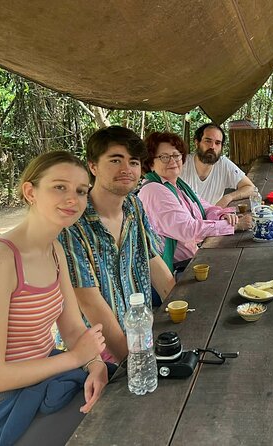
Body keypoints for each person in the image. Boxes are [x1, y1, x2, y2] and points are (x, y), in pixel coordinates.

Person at [0, 151, 108, 444]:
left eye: (81, 191)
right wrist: (75, 358)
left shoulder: (55, 251)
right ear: (30, 192)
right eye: (59, 187)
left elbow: (74, 329)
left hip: (46, 377)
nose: (73, 199)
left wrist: (95, 365)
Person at [59, 126, 175, 364]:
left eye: (133, 162)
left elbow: (154, 262)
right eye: (115, 160)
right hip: (95, 356)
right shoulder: (72, 222)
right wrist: (135, 362)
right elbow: (88, 301)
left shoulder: (134, 205)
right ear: (92, 166)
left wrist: (179, 311)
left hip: (141, 334)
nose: (126, 169)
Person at [138, 131, 253, 272]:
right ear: (150, 163)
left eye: (176, 155)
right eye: (164, 157)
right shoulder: (154, 190)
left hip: (194, 257)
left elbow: (206, 208)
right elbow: (188, 230)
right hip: (177, 270)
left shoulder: (178, 185)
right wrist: (233, 226)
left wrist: (222, 216)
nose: (173, 161)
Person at [180, 122, 255, 207]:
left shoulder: (223, 164)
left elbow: (251, 188)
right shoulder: (181, 164)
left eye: (217, 143)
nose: (212, 146)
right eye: (208, 141)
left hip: (213, 218)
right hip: (185, 219)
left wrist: (228, 197)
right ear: (197, 143)